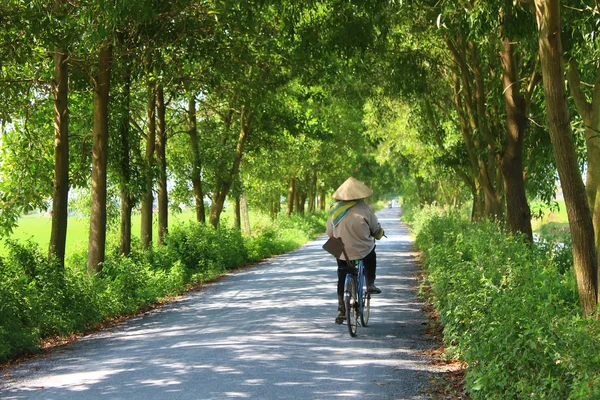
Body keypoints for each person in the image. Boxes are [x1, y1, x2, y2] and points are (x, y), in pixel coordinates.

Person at [326, 177, 385, 324]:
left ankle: (341, 310)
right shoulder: (365, 208)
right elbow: (375, 229)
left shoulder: (334, 209)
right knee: (371, 255)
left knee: (342, 275)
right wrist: (379, 233)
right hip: (362, 250)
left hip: (342, 252)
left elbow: (329, 233)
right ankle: (370, 284)